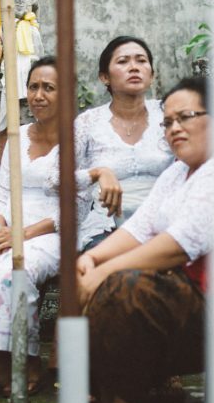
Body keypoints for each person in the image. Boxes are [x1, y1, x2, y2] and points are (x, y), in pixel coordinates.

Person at [76, 76, 214, 403]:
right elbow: (139, 227)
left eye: (186, 117)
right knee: (87, 274)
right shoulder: (177, 174)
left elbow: (179, 245)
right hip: (191, 303)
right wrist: (91, 258)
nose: (174, 128)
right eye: (167, 122)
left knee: (125, 285)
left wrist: (104, 271)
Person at [0, 56, 85, 396]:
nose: (39, 95)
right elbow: (0, 190)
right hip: (7, 226)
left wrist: (21, 235)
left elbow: (79, 206)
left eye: (49, 88)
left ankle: (29, 361)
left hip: (51, 232)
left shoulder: (78, 139)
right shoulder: (18, 134)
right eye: (34, 87)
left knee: (15, 272)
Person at [72, 36, 173, 250]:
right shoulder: (88, 122)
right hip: (108, 229)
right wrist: (97, 173)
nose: (134, 67)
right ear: (104, 77)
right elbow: (56, 180)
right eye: (123, 61)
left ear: (152, 75)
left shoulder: (169, 114)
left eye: (141, 60)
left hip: (166, 225)